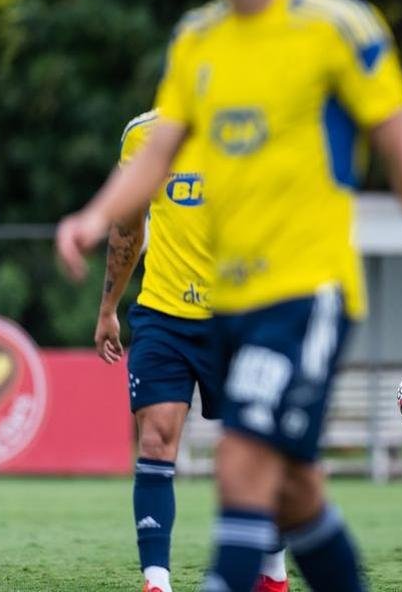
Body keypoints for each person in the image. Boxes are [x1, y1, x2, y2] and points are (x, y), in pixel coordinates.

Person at [57, 0, 402, 592]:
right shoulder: (197, 39)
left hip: (304, 294)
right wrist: (96, 216)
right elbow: (156, 149)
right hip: (220, 302)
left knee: (241, 465)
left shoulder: (337, 27)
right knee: (294, 493)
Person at [96, 110, 289, 592]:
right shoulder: (143, 134)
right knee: (156, 441)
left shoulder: (263, 124)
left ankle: (273, 574)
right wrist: (108, 308)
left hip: (240, 317)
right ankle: (156, 582)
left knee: (255, 452)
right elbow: (126, 229)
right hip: (163, 318)